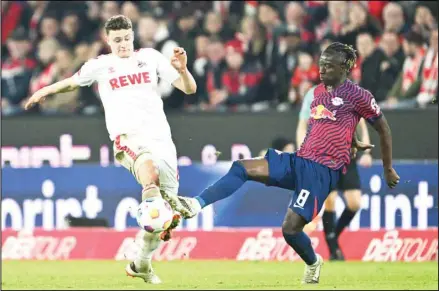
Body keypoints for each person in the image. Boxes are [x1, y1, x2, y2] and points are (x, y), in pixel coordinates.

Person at [178, 42, 400, 284]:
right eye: (321, 63)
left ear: (344, 67)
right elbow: (334, 122)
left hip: (321, 172)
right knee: (242, 168)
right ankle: (196, 204)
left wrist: (387, 167)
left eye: (328, 65)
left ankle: (314, 262)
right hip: (299, 160)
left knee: (290, 230)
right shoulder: (316, 93)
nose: (322, 68)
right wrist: (352, 140)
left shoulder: (359, 95)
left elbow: (383, 129)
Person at [24, 15, 197, 284]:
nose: (123, 44)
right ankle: (159, 207)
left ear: (132, 36)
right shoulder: (101, 65)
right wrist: (43, 91)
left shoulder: (151, 57)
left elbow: (189, 89)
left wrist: (184, 70)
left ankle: (141, 263)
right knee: (147, 169)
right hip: (127, 138)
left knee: (163, 216)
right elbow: (71, 82)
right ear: (108, 40)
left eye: (127, 38)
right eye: (117, 40)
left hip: (161, 139)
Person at [296, 85, 373, 260]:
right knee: (329, 200)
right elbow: (302, 125)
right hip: (323, 156)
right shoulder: (313, 94)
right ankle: (333, 251)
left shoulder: (350, 92)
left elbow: (360, 121)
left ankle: (333, 237)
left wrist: (366, 147)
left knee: (354, 203)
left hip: (347, 154)